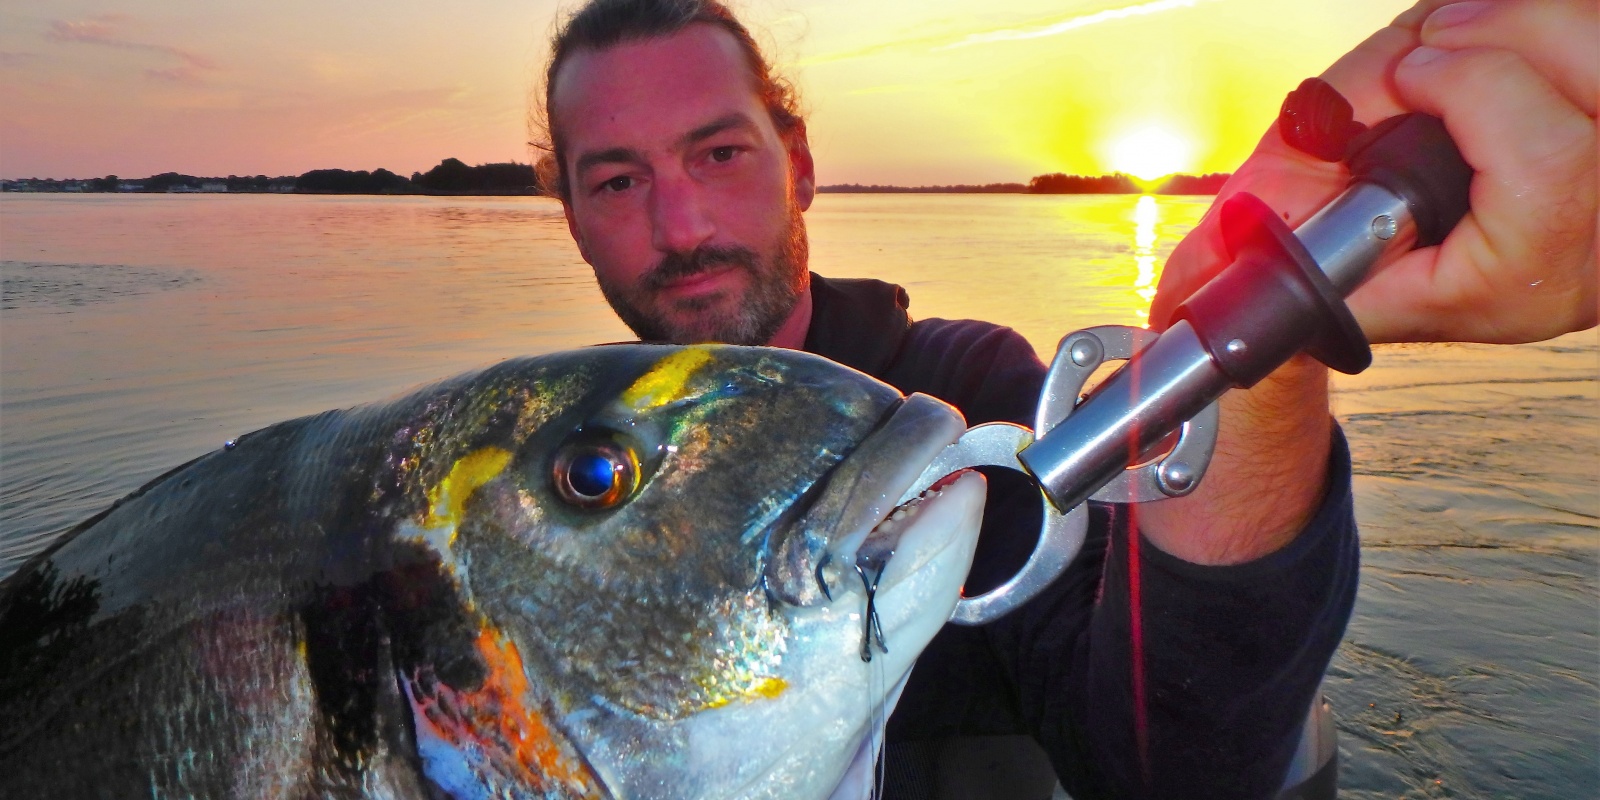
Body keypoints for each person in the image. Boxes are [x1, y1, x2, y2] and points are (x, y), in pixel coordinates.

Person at [531, 0, 1597, 797]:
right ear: (571, 214)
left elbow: (1175, 766)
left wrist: (1262, 342)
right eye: (618, 180)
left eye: (717, 153)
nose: (678, 226)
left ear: (797, 166)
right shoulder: (517, 475)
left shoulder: (966, 394)